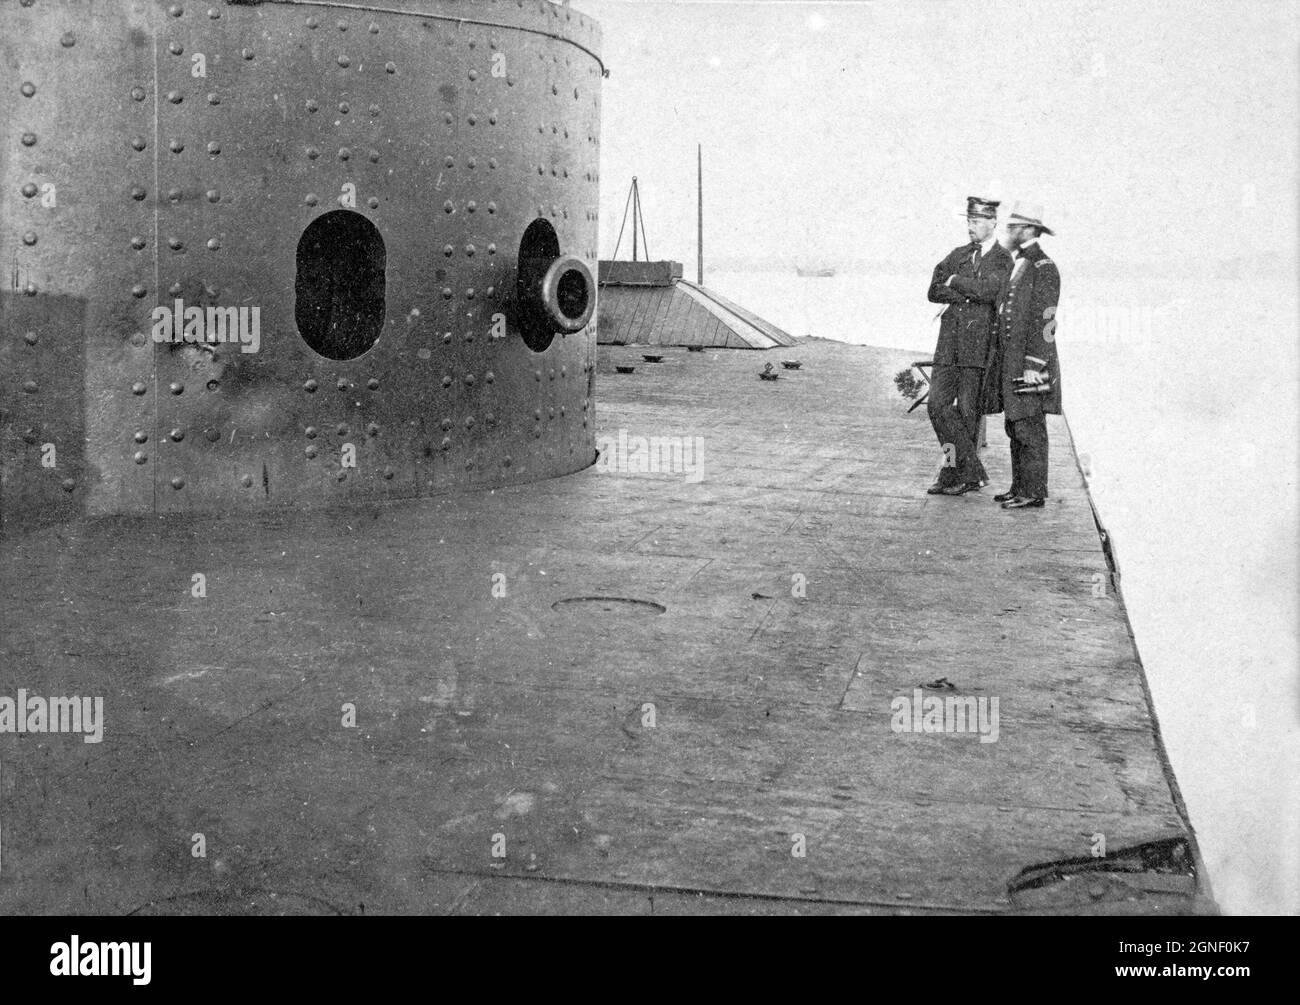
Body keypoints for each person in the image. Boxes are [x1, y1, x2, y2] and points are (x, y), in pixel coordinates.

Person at [925, 197, 1013, 495]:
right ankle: (969, 472)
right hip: (948, 345)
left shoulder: (1002, 259)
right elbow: (934, 290)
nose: (970, 227)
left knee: (966, 414)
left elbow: (989, 290)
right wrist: (964, 293)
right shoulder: (958, 254)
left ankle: (952, 474)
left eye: (976, 222)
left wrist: (955, 282)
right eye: (968, 221)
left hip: (977, 348)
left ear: (992, 223)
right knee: (936, 407)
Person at [989, 202, 1062, 509]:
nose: (1009, 231)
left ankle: (1033, 492)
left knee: (1029, 425)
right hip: (1012, 359)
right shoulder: (1019, 262)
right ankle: (1019, 486)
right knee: (1015, 424)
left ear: (1030, 230)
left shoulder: (1044, 267)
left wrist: (1034, 364)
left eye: (1015, 227)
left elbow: (1046, 320)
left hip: (1031, 362)